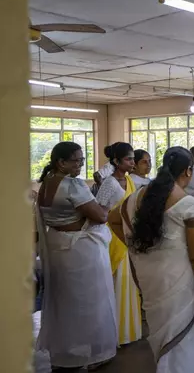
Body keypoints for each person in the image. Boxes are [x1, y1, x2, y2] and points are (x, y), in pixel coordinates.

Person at [109, 147, 194, 373]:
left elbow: (112, 219)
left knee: (165, 344)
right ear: (188, 171)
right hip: (182, 288)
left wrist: (135, 247)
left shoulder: (133, 199)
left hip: (151, 283)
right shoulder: (189, 204)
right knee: (187, 344)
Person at [35, 142, 117, 369]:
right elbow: (100, 216)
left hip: (57, 247)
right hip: (80, 251)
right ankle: (94, 352)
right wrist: (108, 202)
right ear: (61, 162)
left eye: (82, 159)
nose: (81, 164)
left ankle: (65, 351)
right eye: (77, 160)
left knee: (65, 302)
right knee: (92, 301)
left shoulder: (46, 183)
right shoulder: (72, 185)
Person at [95, 142, 142, 345]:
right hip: (112, 237)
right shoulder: (110, 184)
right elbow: (98, 213)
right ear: (116, 161)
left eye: (133, 159)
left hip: (128, 236)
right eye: (128, 159)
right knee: (118, 283)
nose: (132, 162)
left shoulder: (129, 180)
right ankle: (114, 336)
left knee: (130, 284)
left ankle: (128, 332)